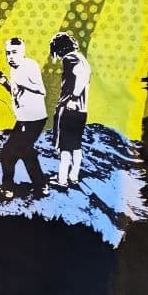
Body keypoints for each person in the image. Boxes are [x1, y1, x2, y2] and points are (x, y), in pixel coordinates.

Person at [0, 38, 49, 200]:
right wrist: (6, 84)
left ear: (22, 52)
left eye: (14, 53)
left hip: (34, 119)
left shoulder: (30, 66)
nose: (10, 57)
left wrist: (23, 82)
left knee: (8, 153)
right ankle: (41, 185)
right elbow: (17, 94)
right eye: (8, 53)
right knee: (25, 152)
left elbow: (41, 90)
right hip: (24, 118)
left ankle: (8, 187)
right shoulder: (14, 69)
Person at [49, 32, 92, 188]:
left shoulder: (70, 58)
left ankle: (62, 180)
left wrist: (73, 98)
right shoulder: (81, 58)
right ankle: (73, 177)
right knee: (76, 145)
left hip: (69, 109)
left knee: (65, 147)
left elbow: (82, 75)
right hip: (81, 111)